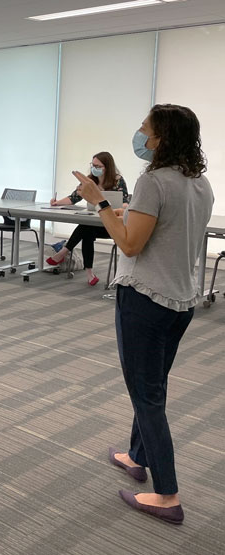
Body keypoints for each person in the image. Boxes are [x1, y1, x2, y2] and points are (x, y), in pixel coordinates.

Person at [75, 104, 213, 525]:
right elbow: (167, 228)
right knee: (152, 386)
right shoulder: (199, 183)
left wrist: (100, 204)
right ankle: (137, 456)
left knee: (146, 395)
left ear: (161, 138)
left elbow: (130, 246)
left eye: (145, 129)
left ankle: (168, 495)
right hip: (180, 301)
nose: (139, 135)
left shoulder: (151, 181)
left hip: (145, 300)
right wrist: (126, 213)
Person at [47, 152, 129, 285]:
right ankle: (89, 273)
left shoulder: (117, 180)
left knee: (85, 228)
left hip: (111, 226)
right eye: (93, 165)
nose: (94, 168)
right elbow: (74, 197)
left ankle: (64, 252)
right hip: (94, 224)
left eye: (98, 166)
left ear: (107, 167)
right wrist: (57, 203)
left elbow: (125, 202)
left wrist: (118, 208)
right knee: (87, 228)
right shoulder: (89, 181)